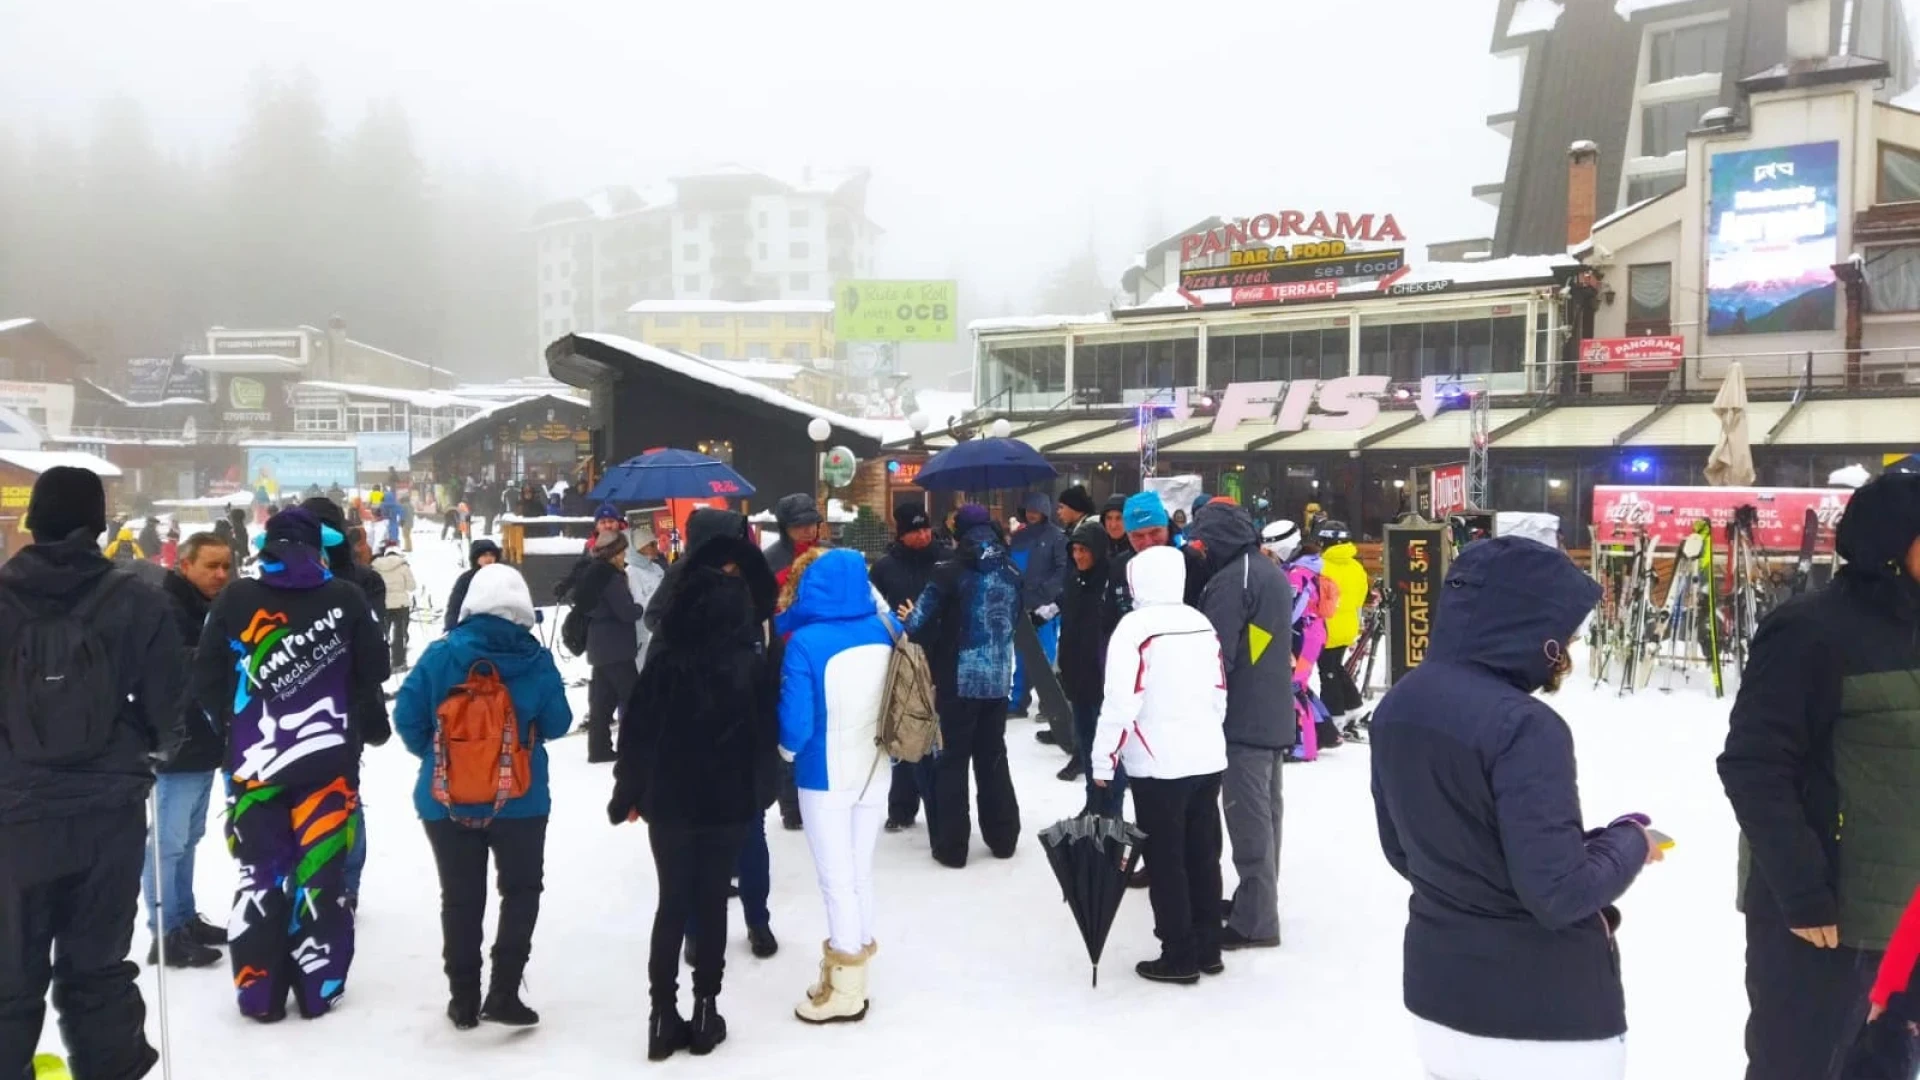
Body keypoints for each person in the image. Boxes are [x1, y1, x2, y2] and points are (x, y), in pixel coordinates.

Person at [1372, 535, 1656, 1080]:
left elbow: (1407, 850)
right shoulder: (1524, 725)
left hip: (1440, 999)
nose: (1567, 653)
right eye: (1563, 635)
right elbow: (1559, 894)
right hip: (1543, 1020)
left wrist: (1579, 848)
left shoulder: (1400, 703)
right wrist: (1629, 841)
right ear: (1530, 628)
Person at [1719, 471, 1920, 1080]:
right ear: (1892, 542)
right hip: (1824, 923)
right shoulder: (1810, 630)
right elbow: (1755, 765)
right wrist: (1802, 894)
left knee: (1884, 1068)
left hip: (1903, 923)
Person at [0, 466, 184, 1080]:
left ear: (33, 522)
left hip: (12, 815)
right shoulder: (137, 599)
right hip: (108, 814)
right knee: (97, 968)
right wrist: (150, 752)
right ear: (98, 524)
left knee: (8, 974)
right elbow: (168, 710)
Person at [191, 506, 389, 1022]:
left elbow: (205, 675)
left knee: (259, 875)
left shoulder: (236, 597)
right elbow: (377, 667)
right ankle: (318, 987)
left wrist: (232, 730)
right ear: (317, 550)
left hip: (254, 766)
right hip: (328, 763)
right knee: (320, 873)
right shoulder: (345, 597)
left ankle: (259, 993)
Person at [609, 520, 779, 1062]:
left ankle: (662, 1016)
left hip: (671, 802)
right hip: (728, 804)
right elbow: (764, 738)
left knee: (672, 905)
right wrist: (762, 792)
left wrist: (628, 793)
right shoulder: (750, 665)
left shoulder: (664, 662)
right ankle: (707, 1011)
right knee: (711, 904)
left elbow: (636, 734)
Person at [395, 563, 570, 1031]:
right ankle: (505, 991)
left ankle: (464, 998)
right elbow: (558, 723)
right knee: (520, 891)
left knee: (460, 897)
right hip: (521, 800)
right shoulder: (535, 659)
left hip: (444, 800)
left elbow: (407, 717)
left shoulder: (440, 654)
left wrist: (440, 757)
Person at [1089, 545, 1228, 984]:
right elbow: (1219, 690)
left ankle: (1178, 953)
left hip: (1157, 763)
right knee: (1203, 853)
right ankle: (1208, 946)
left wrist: (1103, 759)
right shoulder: (1200, 621)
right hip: (1207, 756)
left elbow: (1120, 702)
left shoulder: (1135, 627)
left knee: (1167, 861)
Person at [776, 549, 896, 1023]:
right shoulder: (887, 629)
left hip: (823, 774)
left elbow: (796, 723)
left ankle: (846, 986)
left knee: (835, 878)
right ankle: (855, 968)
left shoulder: (804, 641)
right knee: (860, 871)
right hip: (877, 766)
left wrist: (786, 752)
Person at [1185, 499, 1295, 951]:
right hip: (1271, 713)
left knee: (1248, 820)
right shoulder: (1266, 570)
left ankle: (1255, 922)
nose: (1200, 547)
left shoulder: (1233, 580)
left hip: (1243, 719)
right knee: (1267, 816)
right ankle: (1258, 900)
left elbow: (1217, 657)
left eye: (1204, 539)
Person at [902, 503, 1022, 869]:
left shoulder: (949, 571)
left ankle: (952, 847)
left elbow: (917, 626)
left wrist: (917, 619)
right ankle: (1003, 838)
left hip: (959, 678)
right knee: (993, 759)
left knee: (952, 763)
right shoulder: (1012, 568)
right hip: (1000, 678)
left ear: (959, 534)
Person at [145, 532, 235, 969]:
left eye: (226, 566)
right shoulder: (166, 607)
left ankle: (184, 918)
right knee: (168, 842)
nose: (220, 575)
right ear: (185, 565)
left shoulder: (209, 606)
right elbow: (176, 667)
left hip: (202, 743)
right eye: (210, 566)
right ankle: (164, 932)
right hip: (176, 744)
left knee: (189, 839)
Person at [867, 501, 943, 831]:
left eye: (926, 528)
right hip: (898, 658)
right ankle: (901, 806)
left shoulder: (945, 560)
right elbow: (873, 609)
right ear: (901, 533)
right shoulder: (884, 568)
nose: (923, 535)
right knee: (901, 730)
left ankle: (938, 802)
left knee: (936, 735)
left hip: (939, 654)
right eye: (915, 531)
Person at [1060, 518, 1120, 814]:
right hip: (1078, 679)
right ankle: (1092, 804)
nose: (1079, 556)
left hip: (1103, 681)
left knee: (1105, 751)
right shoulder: (1073, 580)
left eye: (1085, 550)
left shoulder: (1110, 582)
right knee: (1085, 746)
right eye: (1075, 550)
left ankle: (1109, 807)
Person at [1007, 490, 1067, 721]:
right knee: (1021, 654)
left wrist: (1047, 596)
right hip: (1021, 604)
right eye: (1029, 510)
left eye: (1037, 510)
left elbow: (1063, 570)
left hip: (1045, 608)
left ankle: (1049, 704)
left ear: (1045, 511)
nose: (1032, 515)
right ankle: (1018, 701)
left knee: (1044, 656)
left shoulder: (1057, 537)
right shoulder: (1019, 537)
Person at [585, 530, 642, 765]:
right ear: (614, 553)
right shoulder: (611, 577)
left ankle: (599, 749)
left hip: (598, 646)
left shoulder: (591, 574)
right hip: (617, 647)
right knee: (633, 698)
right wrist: (638, 607)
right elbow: (626, 612)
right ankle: (632, 748)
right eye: (621, 551)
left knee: (602, 702)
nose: (624, 555)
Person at [1315, 520, 1371, 739]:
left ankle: (1334, 715)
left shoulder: (1321, 566)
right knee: (1335, 667)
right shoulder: (1356, 567)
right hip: (1347, 626)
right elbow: (1360, 596)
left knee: (1327, 672)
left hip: (1326, 627)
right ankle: (1353, 706)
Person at [372, 541, 418, 673]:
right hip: (401, 605)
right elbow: (412, 586)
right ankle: (398, 662)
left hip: (383, 604)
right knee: (399, 634)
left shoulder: (375, 566)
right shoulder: (403, 566)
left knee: (382, 634)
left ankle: (381, 662)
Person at [446, 538, 503, 632]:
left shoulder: (503, 575)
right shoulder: (466, 579)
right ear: (476, 558)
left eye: (492, 555)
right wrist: (450, 628)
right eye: (484, 555)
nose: (489, 558)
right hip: (474, 627)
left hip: (500, 627)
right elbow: (454, 606)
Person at [765, 492, 824, 581]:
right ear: (785, 528)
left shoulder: (830, 552)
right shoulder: (769, 561)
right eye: (800, 525)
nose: (809, 530)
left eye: (812, 522)